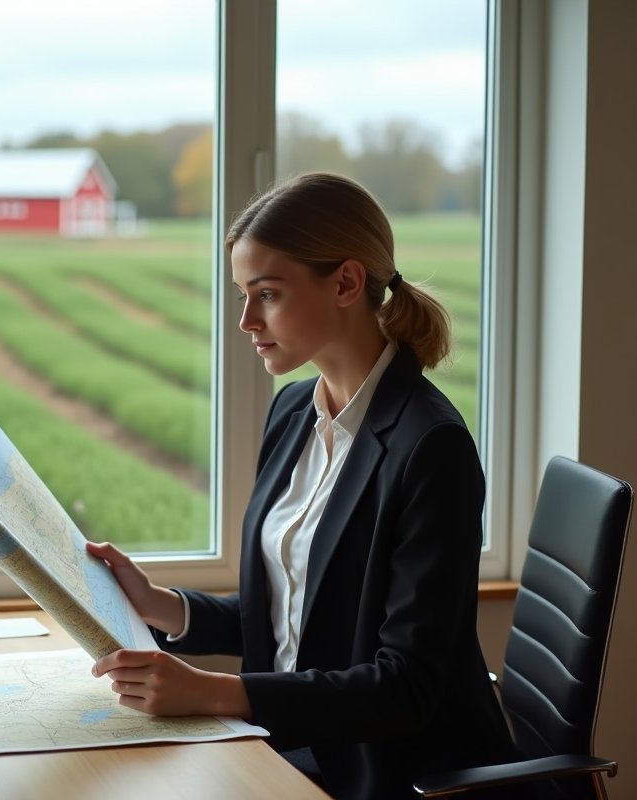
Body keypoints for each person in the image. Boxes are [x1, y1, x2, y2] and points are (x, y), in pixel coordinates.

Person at [86, 173, 520, 800]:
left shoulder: (431, 448)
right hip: (291, 750)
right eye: (242, 294)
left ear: (345, 282)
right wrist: (160, 604)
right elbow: (297, 615)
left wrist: (212, 691)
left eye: (266, 294)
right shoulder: (293, 412)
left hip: (387, 776)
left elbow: (406, 687)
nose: (244, 320)